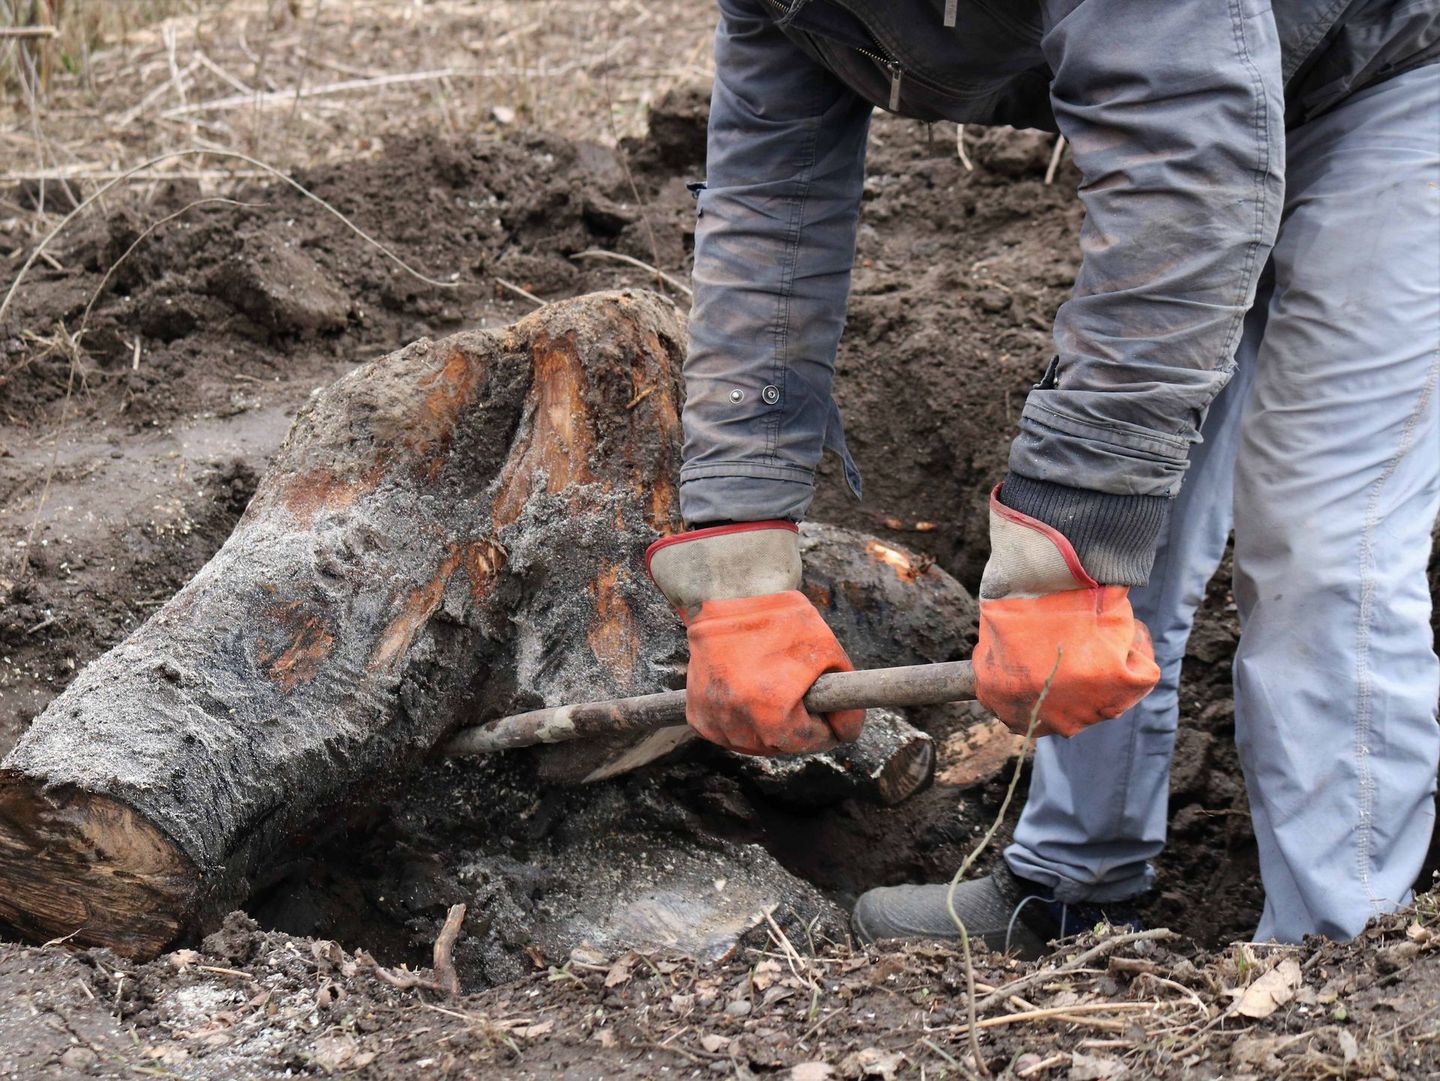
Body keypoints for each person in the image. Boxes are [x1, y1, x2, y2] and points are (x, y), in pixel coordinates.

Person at [645, 0, 1440, 954]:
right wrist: (735, 564)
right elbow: (769, 208)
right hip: (1184, 114)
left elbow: (1189, 161)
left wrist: (1072, 533)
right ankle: (1074, 881)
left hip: (1382, 84)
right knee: (1126, 511)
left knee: (1317, 532)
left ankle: (1332, 954)